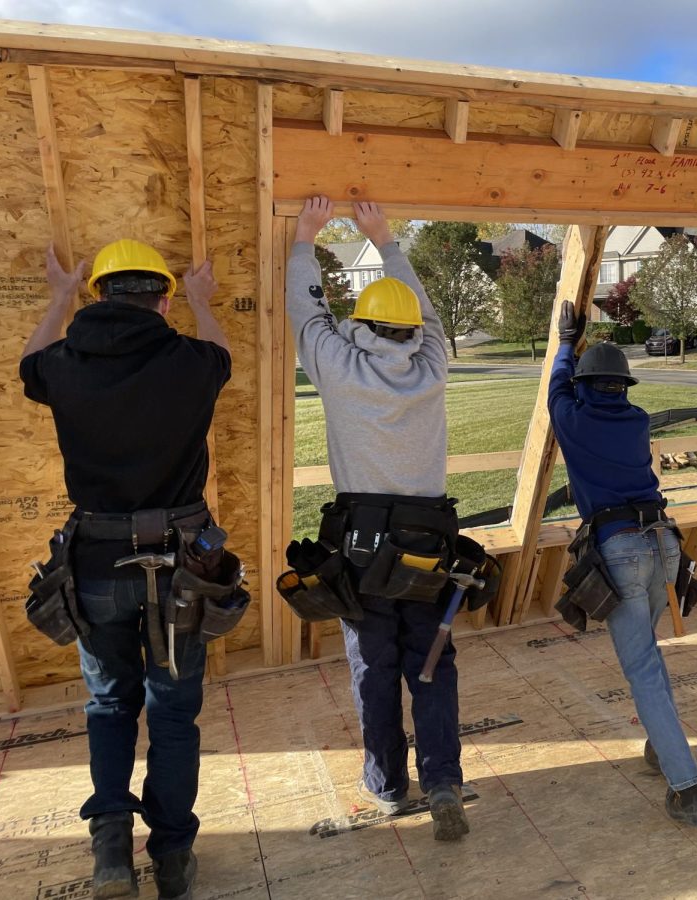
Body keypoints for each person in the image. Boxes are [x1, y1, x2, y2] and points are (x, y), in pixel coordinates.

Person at [20, 240, 232, 900]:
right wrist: (203, 300)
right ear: (162, 299)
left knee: (111, 703)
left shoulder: (64, 363)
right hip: (181, 568)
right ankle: (171, 858)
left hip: (96, 562)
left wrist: (59, 294)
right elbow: (223, 356)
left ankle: (112, 847)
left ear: (100, 295)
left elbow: (27, 363)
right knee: (172, 714)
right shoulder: (191, 362)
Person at [284, 196, 470, 840]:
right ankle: (443, 779)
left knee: (375, 668)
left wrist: (306, 236)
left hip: (362, 552)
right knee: (432, 665)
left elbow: (307, 312)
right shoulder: (433, 365)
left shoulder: (339, 369)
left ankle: (388, 787)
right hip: (428, 546)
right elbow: (433, 317)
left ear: (360, 325)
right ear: (414, 327)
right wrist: (386, 240)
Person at [547, 300, 697, 825]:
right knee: (649, 659)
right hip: (664, 546)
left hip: (619, 548)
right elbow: (574, 394)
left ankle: (688, 788)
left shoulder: (573, 418)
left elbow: (557, 388)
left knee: (642, 668)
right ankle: (660, 748)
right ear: (623, 385)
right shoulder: (638, 419)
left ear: (587, 383)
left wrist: (565, 344)